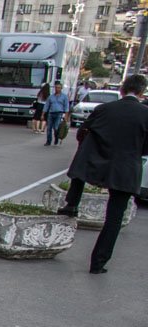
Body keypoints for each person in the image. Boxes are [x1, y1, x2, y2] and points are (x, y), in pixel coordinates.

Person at [56, 73, 148, 274]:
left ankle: (72, 203)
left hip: (96, 163)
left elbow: (83, 132)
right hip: (125, 170)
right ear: (141, 93)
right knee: (114, 219)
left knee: (81, 161)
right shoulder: (145, 114)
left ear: (122, 90)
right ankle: (98, 263)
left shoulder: (104, 109)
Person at [44, 81, 70, 146]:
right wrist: (43, 114)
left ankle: (56, 137)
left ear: (61, 88)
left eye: (59, 88)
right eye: (56, 87)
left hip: (59, 113)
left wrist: (66, 116)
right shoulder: (51, 96)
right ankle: (48, 141)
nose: (57, 89)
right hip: (51, 113)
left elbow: (66, 106)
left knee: (56, 127)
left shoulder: (64, 97)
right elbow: (46, 105)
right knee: (49, 128)